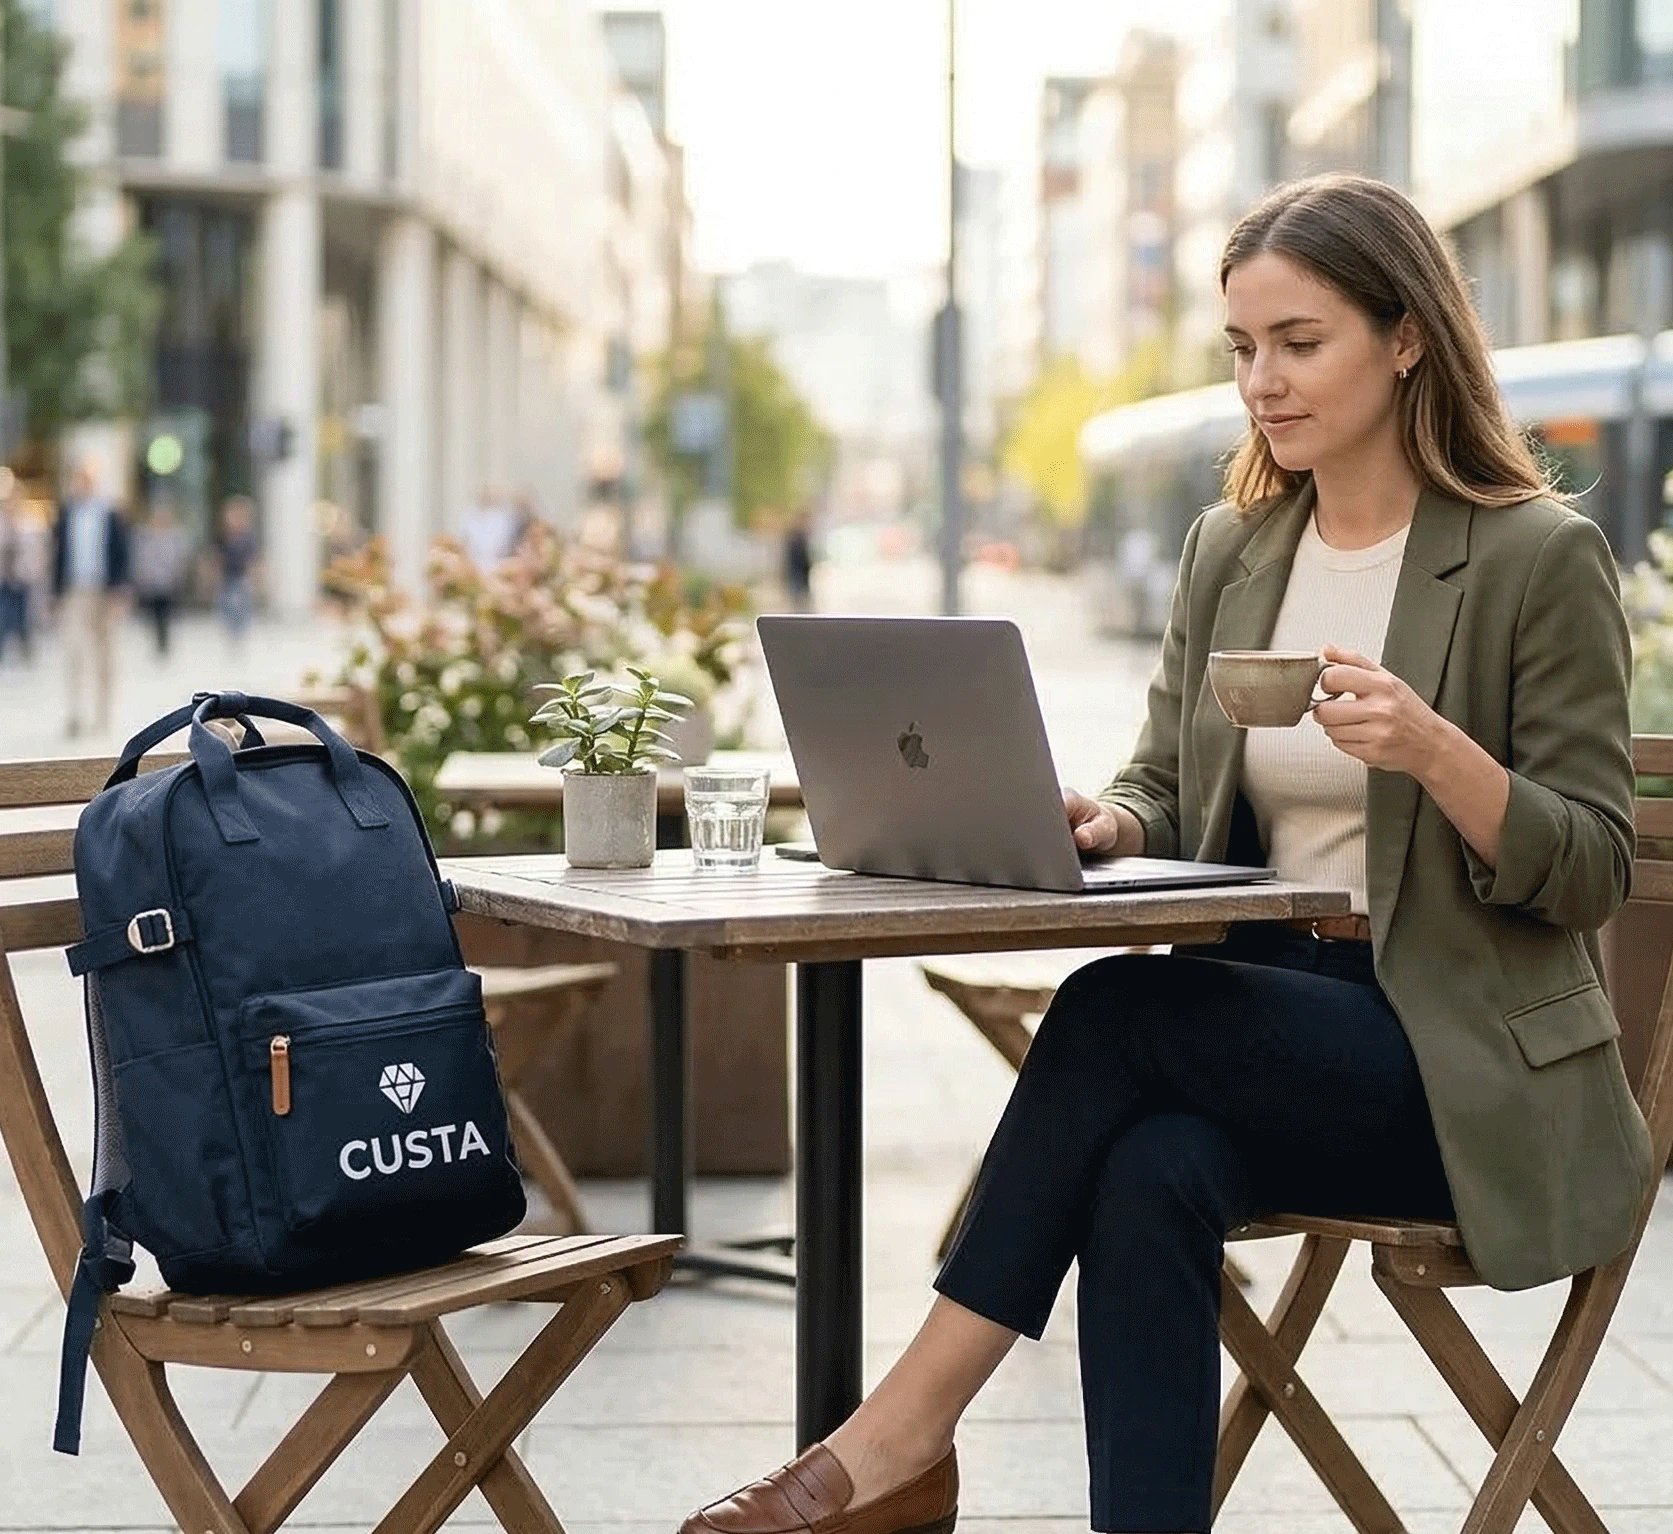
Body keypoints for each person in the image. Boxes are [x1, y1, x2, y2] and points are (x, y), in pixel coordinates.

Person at [679, 173, 1655, 1534]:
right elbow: (1163, 771)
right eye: (1242, 348)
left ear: (1406, 337)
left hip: (1458, 1065)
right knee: (1146, 1171)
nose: (1263, 380)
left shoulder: (1531, 557)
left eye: (1298, 342)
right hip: (1269, 1016)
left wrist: (1438, 751)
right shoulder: (1234, 549)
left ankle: (894, 1443)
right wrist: (1118, 821)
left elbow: (1598, 865)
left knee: (1115, 1009)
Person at [51, 462, 129, 737]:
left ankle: (102, 714)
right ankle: (75, 712)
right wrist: (55, 593)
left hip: (104, 591)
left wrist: (120, 591)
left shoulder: (110, 513)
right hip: (75, 590)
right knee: (74, 650)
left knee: (105, 653)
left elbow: (122, 553)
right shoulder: (66, 513)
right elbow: (58, 554)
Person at [130, 500, 191, 659]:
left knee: (166, 615)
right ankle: (158, 642)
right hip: (151, 583)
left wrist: (177, 575)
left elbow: (181, 558)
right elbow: (140, 559)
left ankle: (164, 643)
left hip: (168, 583)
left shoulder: (176, 536)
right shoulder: (144, 536)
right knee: (153, 616)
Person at [217, 495, 261, 648]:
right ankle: (231, 633)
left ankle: (240, 634)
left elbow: (254, 559)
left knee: (242, 605)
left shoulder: (249, 538)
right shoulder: (223, 537)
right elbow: (217, 558)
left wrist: (256, 577)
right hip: (227, 578)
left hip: (242, 577)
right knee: (227, 606)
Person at [783, 509, 815, 612]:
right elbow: (792, 558)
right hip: (796, 574)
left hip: (802, 575)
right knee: (797, 601)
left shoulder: (802, 537)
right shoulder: (795, 538)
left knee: (802, 601)